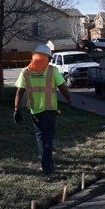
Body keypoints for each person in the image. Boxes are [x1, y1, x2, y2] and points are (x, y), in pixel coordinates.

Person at [13, 44, 72, 175]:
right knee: (48, 139)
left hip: (36, 112)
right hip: (50, 110)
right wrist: (69, 99)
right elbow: (62, 87)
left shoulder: (25, 72)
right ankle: (48, 167)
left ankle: (46, 164)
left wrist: (16, 109)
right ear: (47, 58)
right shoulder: (52, 71)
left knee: (41, 138)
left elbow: (19, 92)